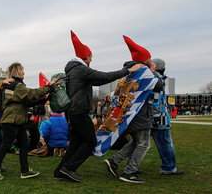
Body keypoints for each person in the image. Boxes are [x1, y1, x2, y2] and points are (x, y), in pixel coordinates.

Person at [53, 31, 143, 182]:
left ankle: (60, 171)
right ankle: (69, 168)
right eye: (91, 57)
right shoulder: (81, 69)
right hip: (79, 111)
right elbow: (104, 76)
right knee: (90, 142)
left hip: (73, 111)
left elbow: (99, 81)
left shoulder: (74, 70)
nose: (91, 60)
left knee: (76, 142)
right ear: (86, 57)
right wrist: (128, 71)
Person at [104, 35, 164, 184]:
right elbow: (159, 86)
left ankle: (114, 161)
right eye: (149, 58)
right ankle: (129, 172)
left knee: (136, 142)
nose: (151, 61)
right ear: (145, 60)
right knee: (144, 144)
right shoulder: (143, 71)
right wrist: (154, 72)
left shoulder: (129, 71)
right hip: (139, 113)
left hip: (128, 113)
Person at [0, 62, 52, 181]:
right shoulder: (16, 85)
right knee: (7, 144)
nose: (24, 72)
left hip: (18, 119)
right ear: (17, 71)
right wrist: (49, 87)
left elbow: (27, 101)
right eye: (22, 70)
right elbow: (31, 94)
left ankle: (25, 170)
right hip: (11, 119)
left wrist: (44, 100)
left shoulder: (16, 85)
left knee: (24, 144)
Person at [148, 58, 185, 175]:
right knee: (165, 143)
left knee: (139, 143)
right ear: (162, 67)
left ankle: (130, 165)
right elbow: (156, 101)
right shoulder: (157, 80)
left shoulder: (149, 78)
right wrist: (156, 118)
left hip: (148, 117)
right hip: (159, 118)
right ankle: (168, 168)